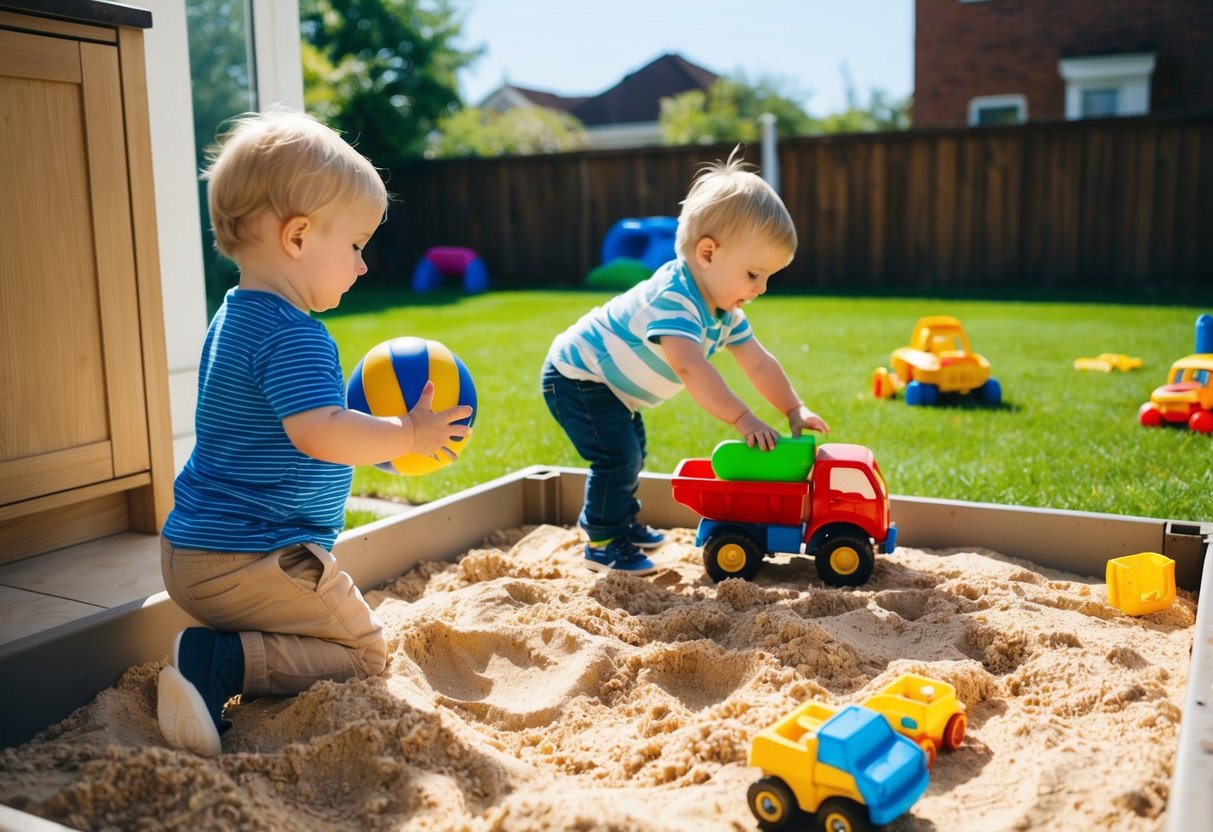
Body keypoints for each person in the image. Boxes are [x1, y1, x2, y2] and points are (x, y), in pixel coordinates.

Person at [156, 109, 473, 757]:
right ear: (297, 238)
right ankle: (220, 663)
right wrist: (406, 435)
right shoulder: (294, 334)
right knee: (362, 654)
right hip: (251, 562)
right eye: (355, 245)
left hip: (189, 555)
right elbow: (321, 434)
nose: (362, 266)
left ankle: (222, 651)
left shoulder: (233, 318)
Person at [541, 148, 830, 575]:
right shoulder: (674, 298)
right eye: (754, 274)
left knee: (632, 451)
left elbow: (759, 363)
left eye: (769, 277)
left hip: (610, 389)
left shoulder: (724, 310)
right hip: (577, 377)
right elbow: (691, 367)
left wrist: (792, 407)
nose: (762, 288)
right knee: (616, 457)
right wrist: (743, 418)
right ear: (707, 253)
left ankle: (620, 519)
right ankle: (603, 541)